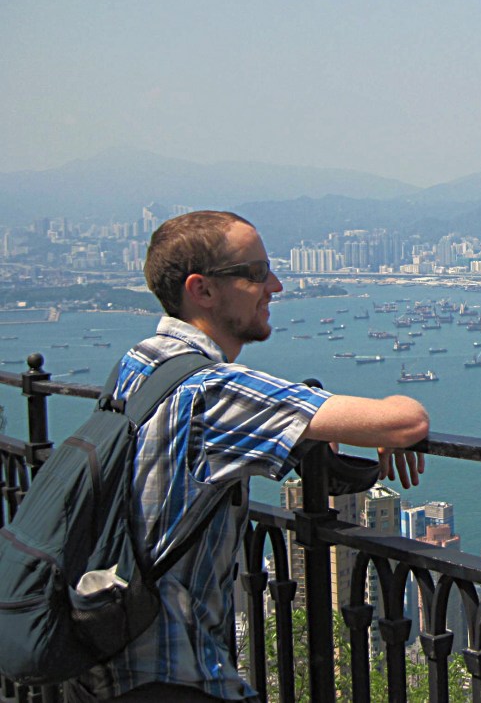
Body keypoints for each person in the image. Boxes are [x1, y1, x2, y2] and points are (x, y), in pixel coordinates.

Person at [69, 211, 429, 702]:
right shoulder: (210, 391)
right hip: (173, 675)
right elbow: (407, 422)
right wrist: (379, 420)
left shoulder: (139, 365)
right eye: (256, 274)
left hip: (104, 660)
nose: (275, 287)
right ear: (202, 290)